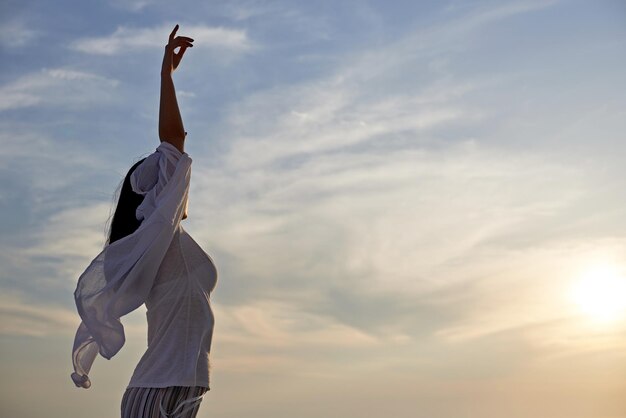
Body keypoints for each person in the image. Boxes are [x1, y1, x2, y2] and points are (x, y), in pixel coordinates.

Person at [70, 25, 218, 418]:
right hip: (157, 389)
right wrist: (166, 77)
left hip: (184, 386)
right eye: (167, 181)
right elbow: (174, 139)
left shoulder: (163, 240)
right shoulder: (155, 230)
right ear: (152, 195)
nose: (180, 186)